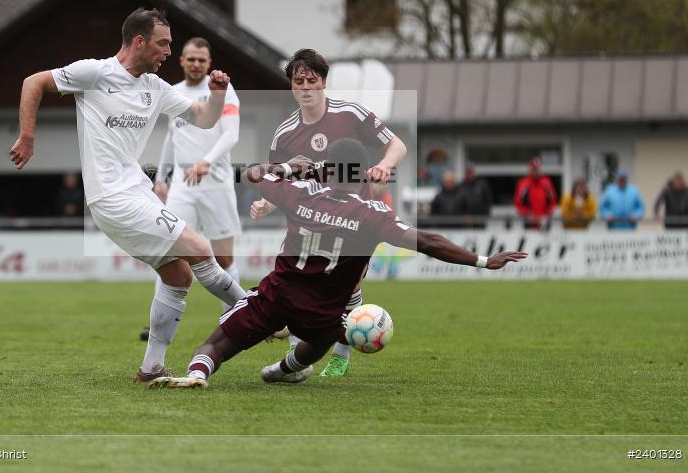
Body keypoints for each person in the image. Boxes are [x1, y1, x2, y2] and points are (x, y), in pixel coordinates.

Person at [146, 139, 527, 390]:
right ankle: (282, 371)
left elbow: (254, 174)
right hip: (323, 311)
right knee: (321, 340)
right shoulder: (374, 214)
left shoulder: (300, 193)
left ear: (328, 170)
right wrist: (482, 260)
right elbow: (427, 241)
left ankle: (197, 373)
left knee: (219, 343)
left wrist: (290, 166)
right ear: (361, 174)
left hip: (277, 294)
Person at [9, 8, 247, 383]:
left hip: (138, 191)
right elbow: (33, 82)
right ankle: (254, 309)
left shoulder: (155, 87)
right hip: (111, 197)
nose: (169, 52)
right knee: (200, 248)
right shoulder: (95, 73)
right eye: (163, 43)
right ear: (139, 41)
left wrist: (216, 96)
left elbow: (204, 118)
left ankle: (151, 367)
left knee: (179, 275)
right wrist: (27, 135)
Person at [250, 48, 408, 378]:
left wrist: (383, 165)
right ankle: (296, 356)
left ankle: (341, 351)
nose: (306, 86)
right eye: (299, 81)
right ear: (291, 86)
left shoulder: (349, 114)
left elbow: (397, 145)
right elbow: (277, 177)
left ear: (323, 82)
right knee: (296, 286)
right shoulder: (285, 133)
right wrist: (267, 203)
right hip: (307, 222)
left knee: (347, 287)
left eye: (312, 80)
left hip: (353, 219)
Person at [154, 37, 242, 311]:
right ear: (181, 60)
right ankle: (161, 317)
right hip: (182, 186)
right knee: (171, 254)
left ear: (209, 63)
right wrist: (161, 178)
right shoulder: (174, 92)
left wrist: (205, 162)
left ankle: (234, 315)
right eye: (190, 59)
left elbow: (231, 135)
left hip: (216, 182)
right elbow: (172, 136)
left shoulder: (222, 90)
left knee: (224, 257)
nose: (195, 64)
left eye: (201, 60)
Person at [514, 157, 557, 230]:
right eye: (533, 169)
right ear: (529, 170)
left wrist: (547, 214)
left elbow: (552, 201)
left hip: (544, 221)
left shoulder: (547, 182)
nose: (535, 172)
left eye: (537, 169)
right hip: (529, 222)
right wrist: (527, 214)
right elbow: (518, 203)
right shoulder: (523, 183)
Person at [460, 163, 492, 229]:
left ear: (474, 173)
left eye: (471, 172)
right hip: (464, 221)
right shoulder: (460, 186)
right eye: (467, 172)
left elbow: (488, 201)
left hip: (480, 219)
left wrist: (485, 215)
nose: (469, 174)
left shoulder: (482, 185)